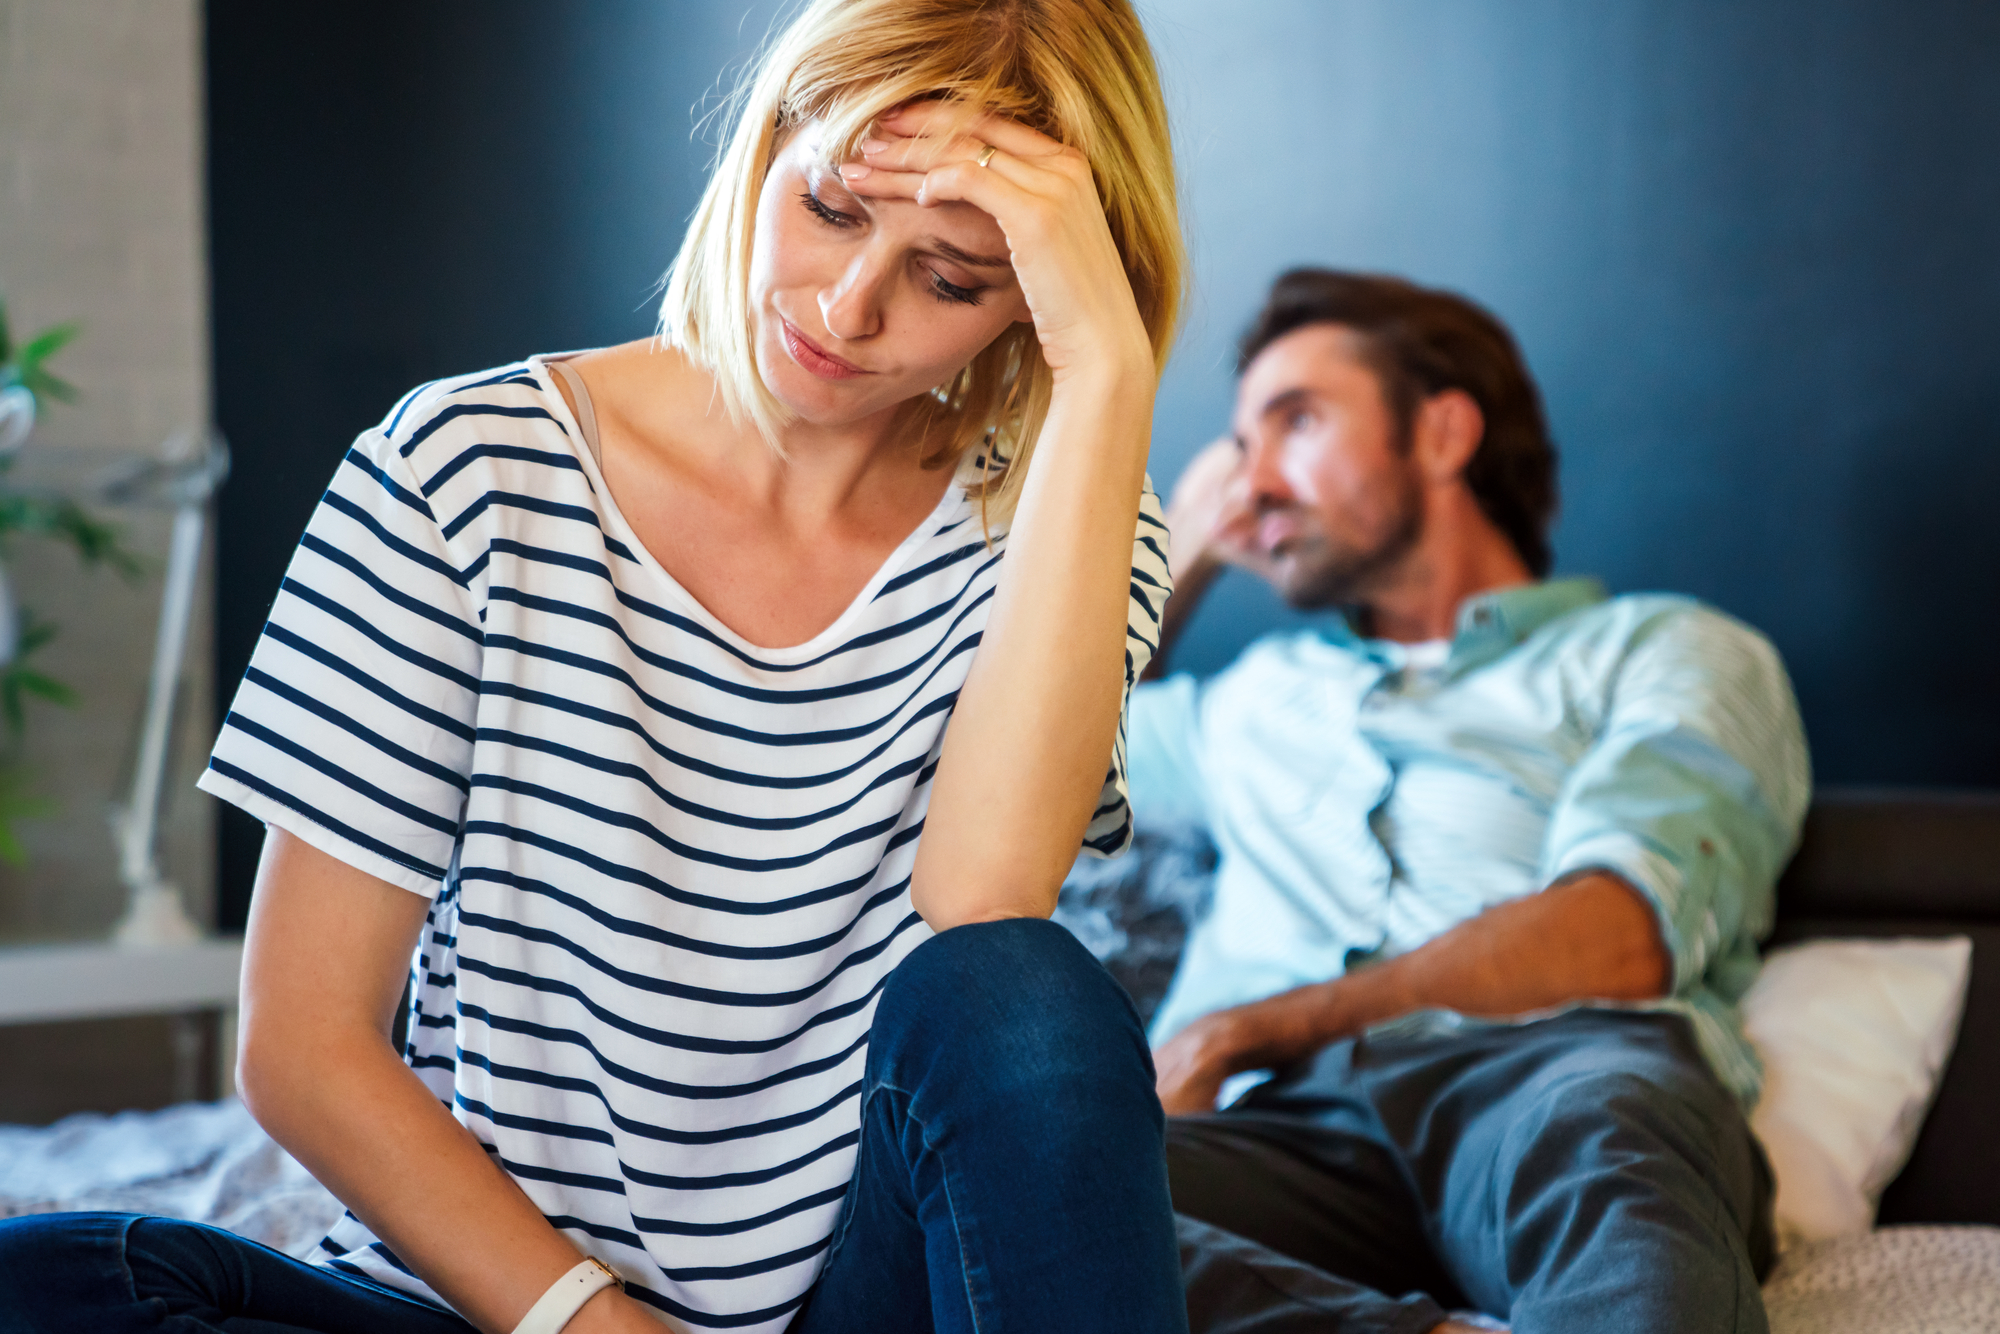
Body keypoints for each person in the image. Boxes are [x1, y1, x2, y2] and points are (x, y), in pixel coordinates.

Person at [0, 2, 1193, 1331]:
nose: (849, 308)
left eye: (953, 278)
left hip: (853, 1303)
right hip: (509, 1313)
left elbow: (984, 895)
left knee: (1023, 997)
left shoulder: (1067, 518)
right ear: (763, 149)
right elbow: (303, 1046)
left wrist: (1108, 369)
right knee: (52, 1278)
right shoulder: (461, 468)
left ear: (1031, 298)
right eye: (832, 208)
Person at [1129, 268, 1810, 1334]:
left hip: (1546, 1071)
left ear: (1442, 432)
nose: (1250, 479)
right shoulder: (1242, 704)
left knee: (1611, 1149)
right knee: (1002, 1209)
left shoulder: (1661, 649)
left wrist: (1248, 1029)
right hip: (1274, 1136)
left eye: (1293, 421)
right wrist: (1176, 557)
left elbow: (1618, 934)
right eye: (1236, 449)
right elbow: (1002, 757)